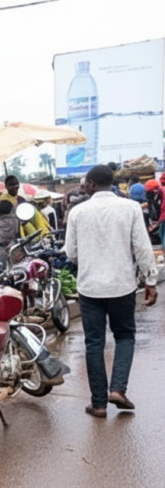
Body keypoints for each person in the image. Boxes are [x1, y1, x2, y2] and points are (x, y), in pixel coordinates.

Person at [65, 165, 157, 418]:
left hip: (90, 288)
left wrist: (89, 261)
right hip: (122, 286)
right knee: (125, 336)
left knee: (94, 343)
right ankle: (117, 389)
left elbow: (71, 252)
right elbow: (142, 247)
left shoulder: (77, 212)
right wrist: (150, 280)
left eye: (85, 183)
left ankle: (98, 404)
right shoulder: (131, 208)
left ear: (92, 184)